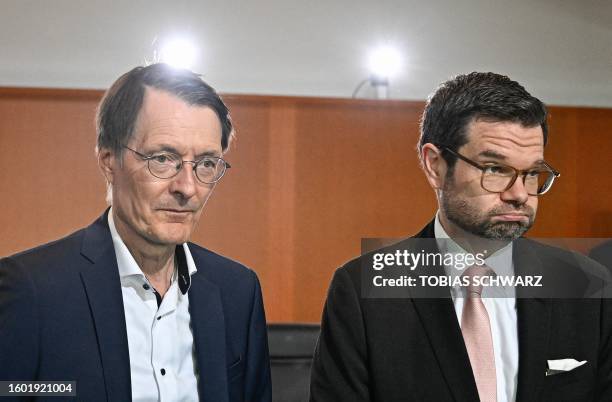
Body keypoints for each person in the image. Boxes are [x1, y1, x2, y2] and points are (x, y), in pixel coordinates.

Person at [310, 72, 612, 402]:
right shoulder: (360, 290)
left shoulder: (586, 284)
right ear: (435, 165)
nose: (519, 194)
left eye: (532, 173)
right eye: (495, 169)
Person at [0, 63, 271, 402]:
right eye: (162, 158)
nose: (187, 188)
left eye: (205, 163)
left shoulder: (238, 290)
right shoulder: (32, 288)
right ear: (108, 161)